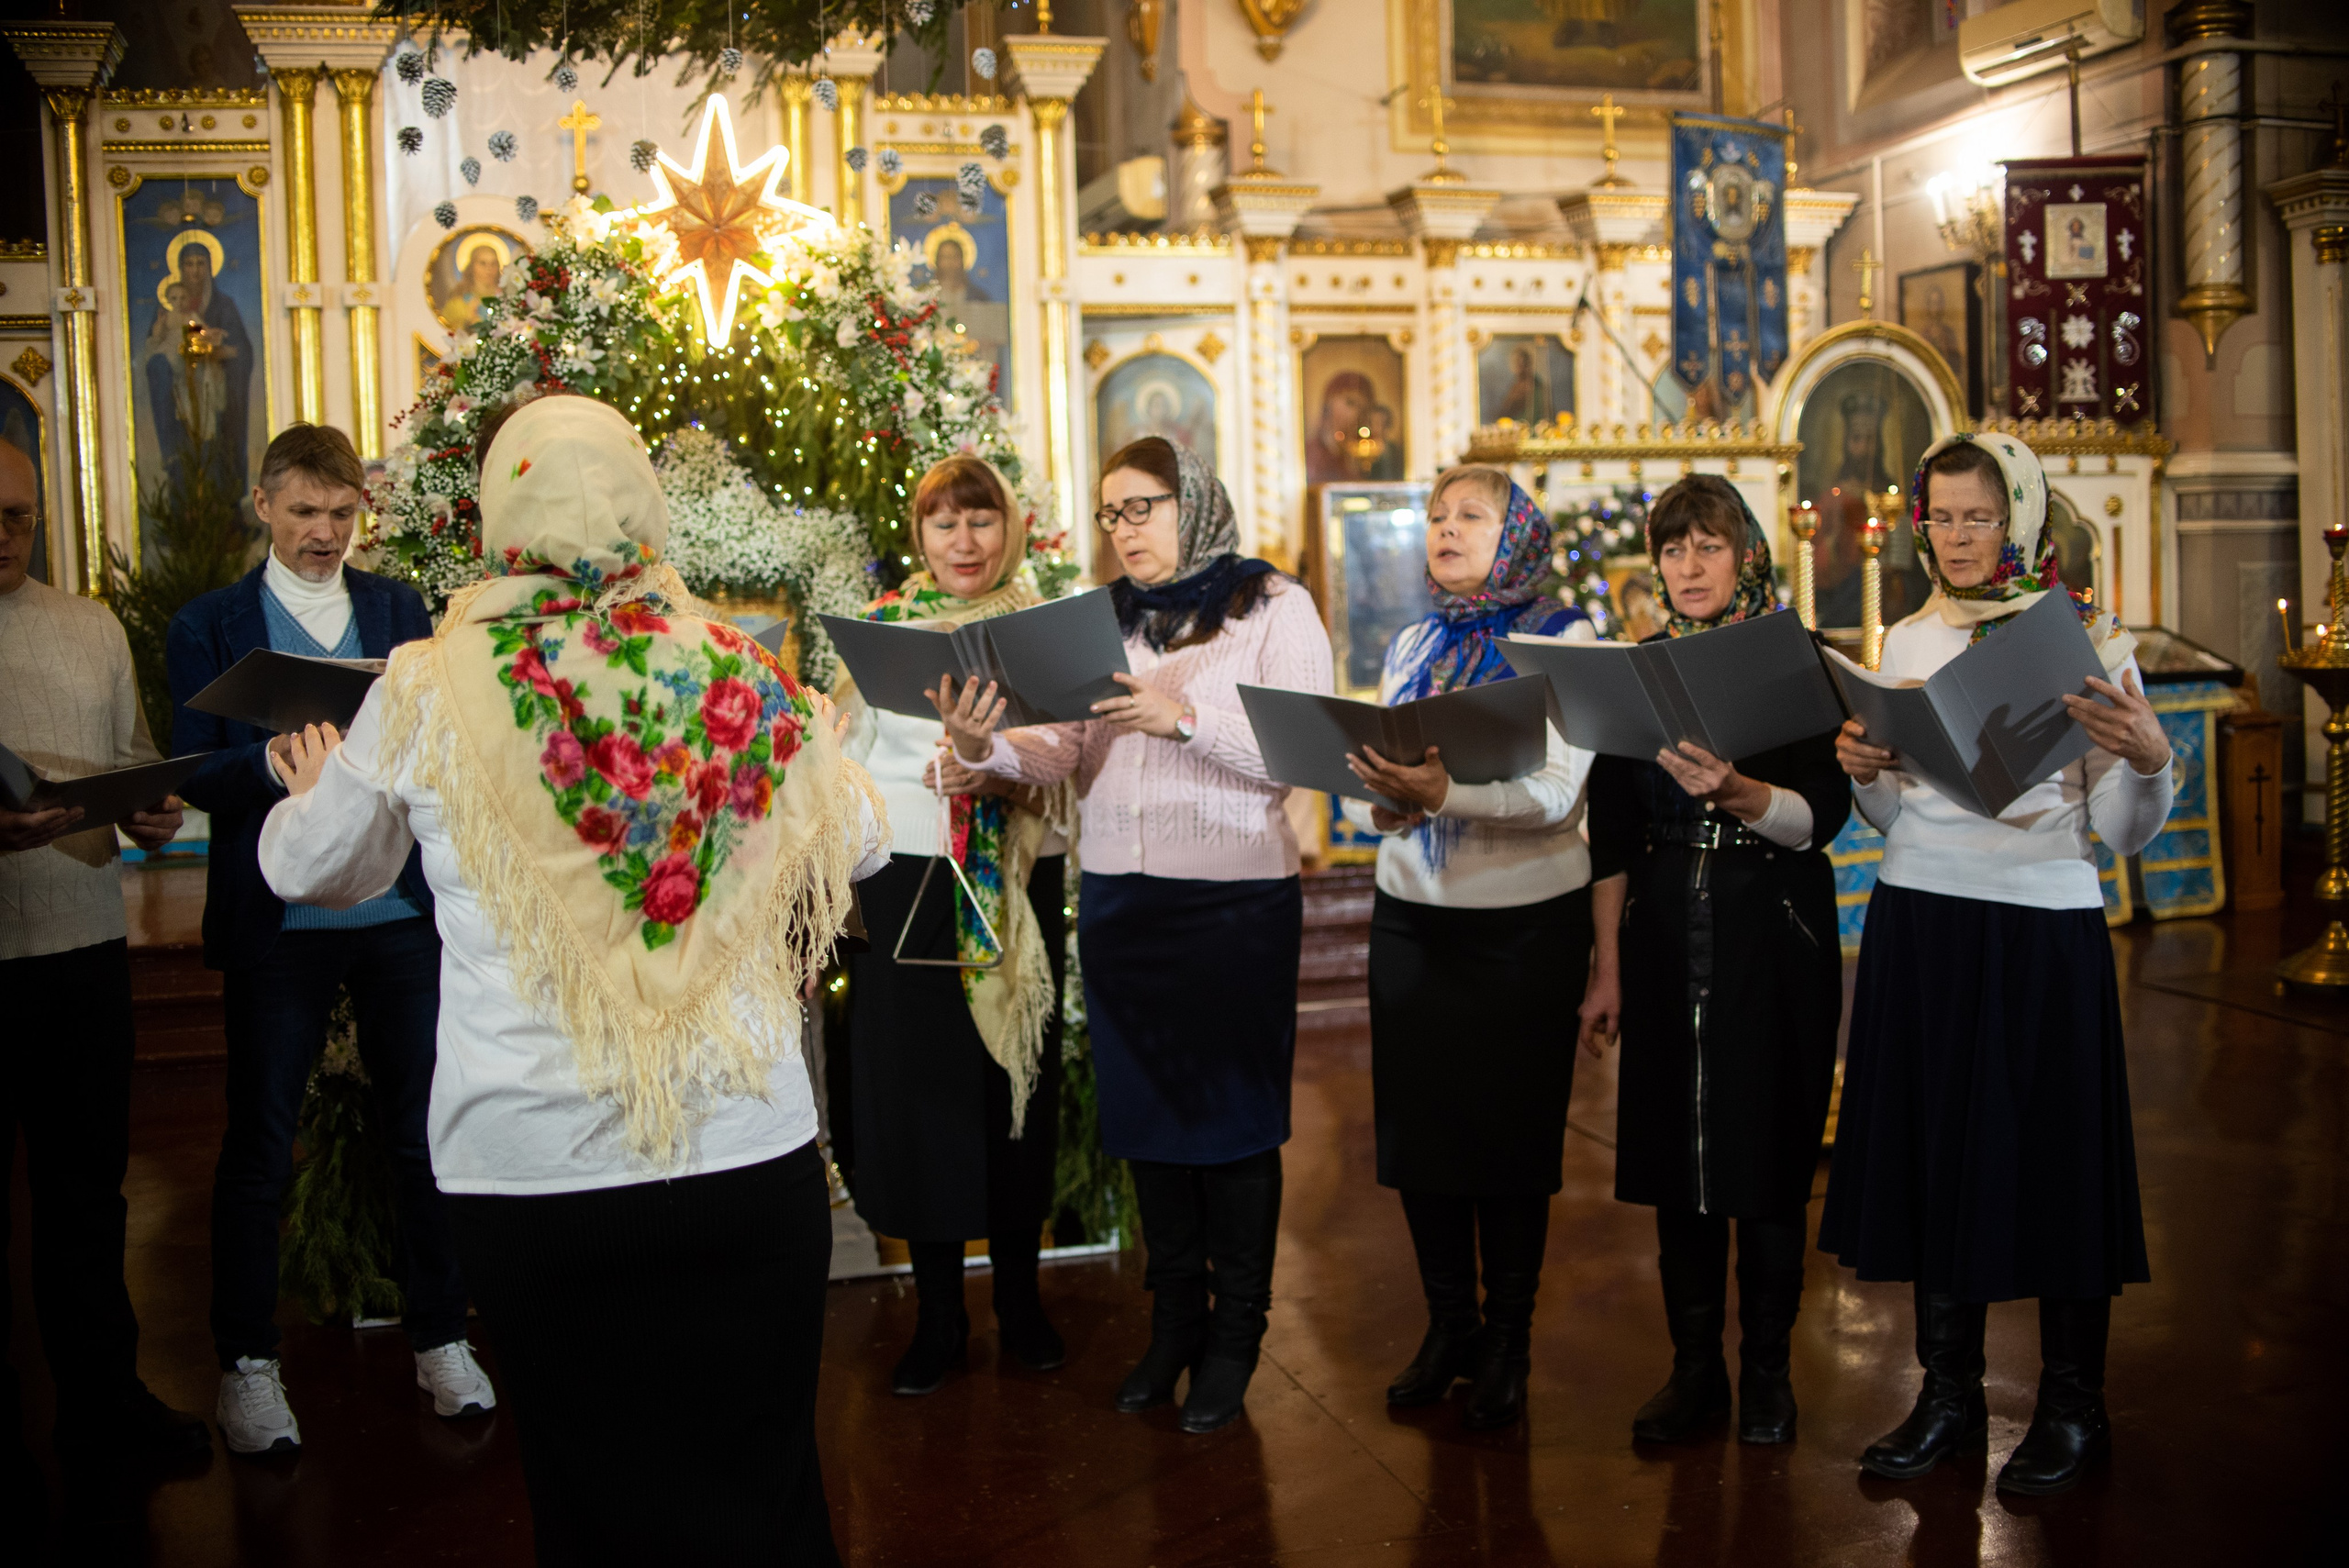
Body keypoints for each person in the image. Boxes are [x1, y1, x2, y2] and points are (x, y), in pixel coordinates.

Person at [256, 394, 884, 1562]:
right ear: (644, 509)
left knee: (592, 1494)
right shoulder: (739, 673)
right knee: (765, 1487)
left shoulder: (425, 685)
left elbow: (313, 866)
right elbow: (860, 844)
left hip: (533, 1168)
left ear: (503, 512)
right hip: (743, 1154)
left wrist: (311, 785)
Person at [932, 436, 1332, 1434]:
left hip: (1234, 903)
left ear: (1192, 500)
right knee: (1149, 1124)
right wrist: (987, 746)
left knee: (1235, 1126)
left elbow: (1300, 750)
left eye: (1142, 507)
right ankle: (1172, 1326)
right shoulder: (1101, 619)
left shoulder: (1273, 605)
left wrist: (1183, 717)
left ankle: (1237, 1333)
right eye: (1111, 514)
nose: (1126, 530)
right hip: (1122, 901)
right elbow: (1063, 744)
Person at [1819, 432, 2170, 1496]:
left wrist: (2147, 760)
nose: (1957, 536)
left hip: (2037, 920)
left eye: (1978, 515)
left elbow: (2123, 832)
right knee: (1934, 1158)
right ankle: (1948, 1393)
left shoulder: (2086, 640)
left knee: (2053, 1160)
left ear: (2019, 515)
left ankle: (2072, 1403)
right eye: (1941, 515)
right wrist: (1865, 769)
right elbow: (1887, 812)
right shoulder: (1912, 635)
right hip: (1923, 915)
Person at [167, 423, 490, 1454]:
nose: (323, 533)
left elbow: (436, 730)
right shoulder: (209, 622)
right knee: (261, 1142)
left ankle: (441, 1338)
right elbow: (192, 771)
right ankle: (247, 1367)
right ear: (263, 506)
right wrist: (271, 765)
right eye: (304, 512)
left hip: (394, 908)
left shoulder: (395, 607)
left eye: (342, 514)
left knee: (421, 1131)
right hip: (279, 914)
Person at [1576, 474, 1849, 1447]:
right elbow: (1609, 837)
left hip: (1772, 930)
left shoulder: (1795, 662)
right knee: (1675, 1157)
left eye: (1708, 547)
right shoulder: (1636, 670)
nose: (1688, 567)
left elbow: (1821, 818)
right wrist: (1605, 967)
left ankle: (1767, 1369)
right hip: (1658, 938)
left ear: (1745, 555)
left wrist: (1738, 790)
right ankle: (1694, 1369)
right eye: (1673, 549)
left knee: (1767, 1153)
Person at [1336, 465, 1597, 1432]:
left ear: (1516, 530)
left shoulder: (1566, 640)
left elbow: (1561, 795)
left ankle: (1507, 1338)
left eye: (1470, 515)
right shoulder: (1413, 639)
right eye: (1436, 515)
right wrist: (1381, 796)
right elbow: (1391, 771)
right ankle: (1447, 1325)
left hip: (1524, 926)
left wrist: (1448, 796)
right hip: (1412, 912)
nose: (1445, 529)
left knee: (1508, 1142)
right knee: (1421, 1137)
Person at [0, 440, 209, 1518]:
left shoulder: (88, 625)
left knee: (89, 1196)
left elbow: (130, 755)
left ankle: (102, 1400)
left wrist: (151, 808)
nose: (6, 532)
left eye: (21, 515)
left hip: (82, 949)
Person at [839, 454, 1071, 1396]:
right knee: (920, 1100)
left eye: (979, 521)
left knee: (1010, 1086)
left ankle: (1019, 1300)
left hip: (1010, 881)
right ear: (919, 534)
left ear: (1007, 528)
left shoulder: (1040, 633)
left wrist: (995, 769)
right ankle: (938, 1314)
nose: (963, 542)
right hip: (905, 884)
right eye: (944, 524)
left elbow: (1070, 764)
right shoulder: (885, 631)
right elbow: (847, 761)